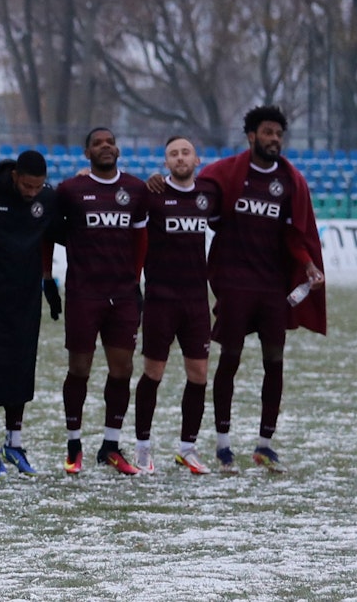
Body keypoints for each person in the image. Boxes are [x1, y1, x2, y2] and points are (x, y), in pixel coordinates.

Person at [191, 105, 325, 472]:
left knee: (275, 362)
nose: (274, 139)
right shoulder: (228, 174)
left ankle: (265, 445)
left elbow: (293, 236)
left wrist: (309, 265)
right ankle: (223, 446)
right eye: (268, 132)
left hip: (271, 287)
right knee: (230, 359)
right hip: (235, 283)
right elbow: (200, 202)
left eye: (279, 134)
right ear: (251, 136)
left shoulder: (288, 181)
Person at [54, 127, 150, 475]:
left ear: (118, 150)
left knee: (122, 369)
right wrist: (48, 277)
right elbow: (52, 231)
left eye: (110, 142)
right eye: (98, 143)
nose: (105, 146)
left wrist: (135, 280)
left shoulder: (136, 189)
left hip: (122, 295)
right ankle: (74, 445)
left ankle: (110, 446)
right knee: (79, 368)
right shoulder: (70, 190)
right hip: (84, 293)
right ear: (87, 153)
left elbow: (141, 238)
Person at [0, 151, 57, 478]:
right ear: (16, 176)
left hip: (26, 298)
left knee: (21, 367)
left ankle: (14, 443)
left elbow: (53, 235)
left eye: (38, 186)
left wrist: (48, 279)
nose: (33, 192)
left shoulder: (47, 199)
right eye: (28, 185)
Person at [135, 136, 221, 474]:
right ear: (166, 162)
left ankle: (188, 448)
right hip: (161, 299)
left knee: (198, 375)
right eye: (173, 154)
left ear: (197, 160)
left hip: (196, 300)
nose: (180, 158)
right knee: (153, 373)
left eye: (186, 153)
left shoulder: (208, 195)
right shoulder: (152, 194)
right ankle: (143, 448)